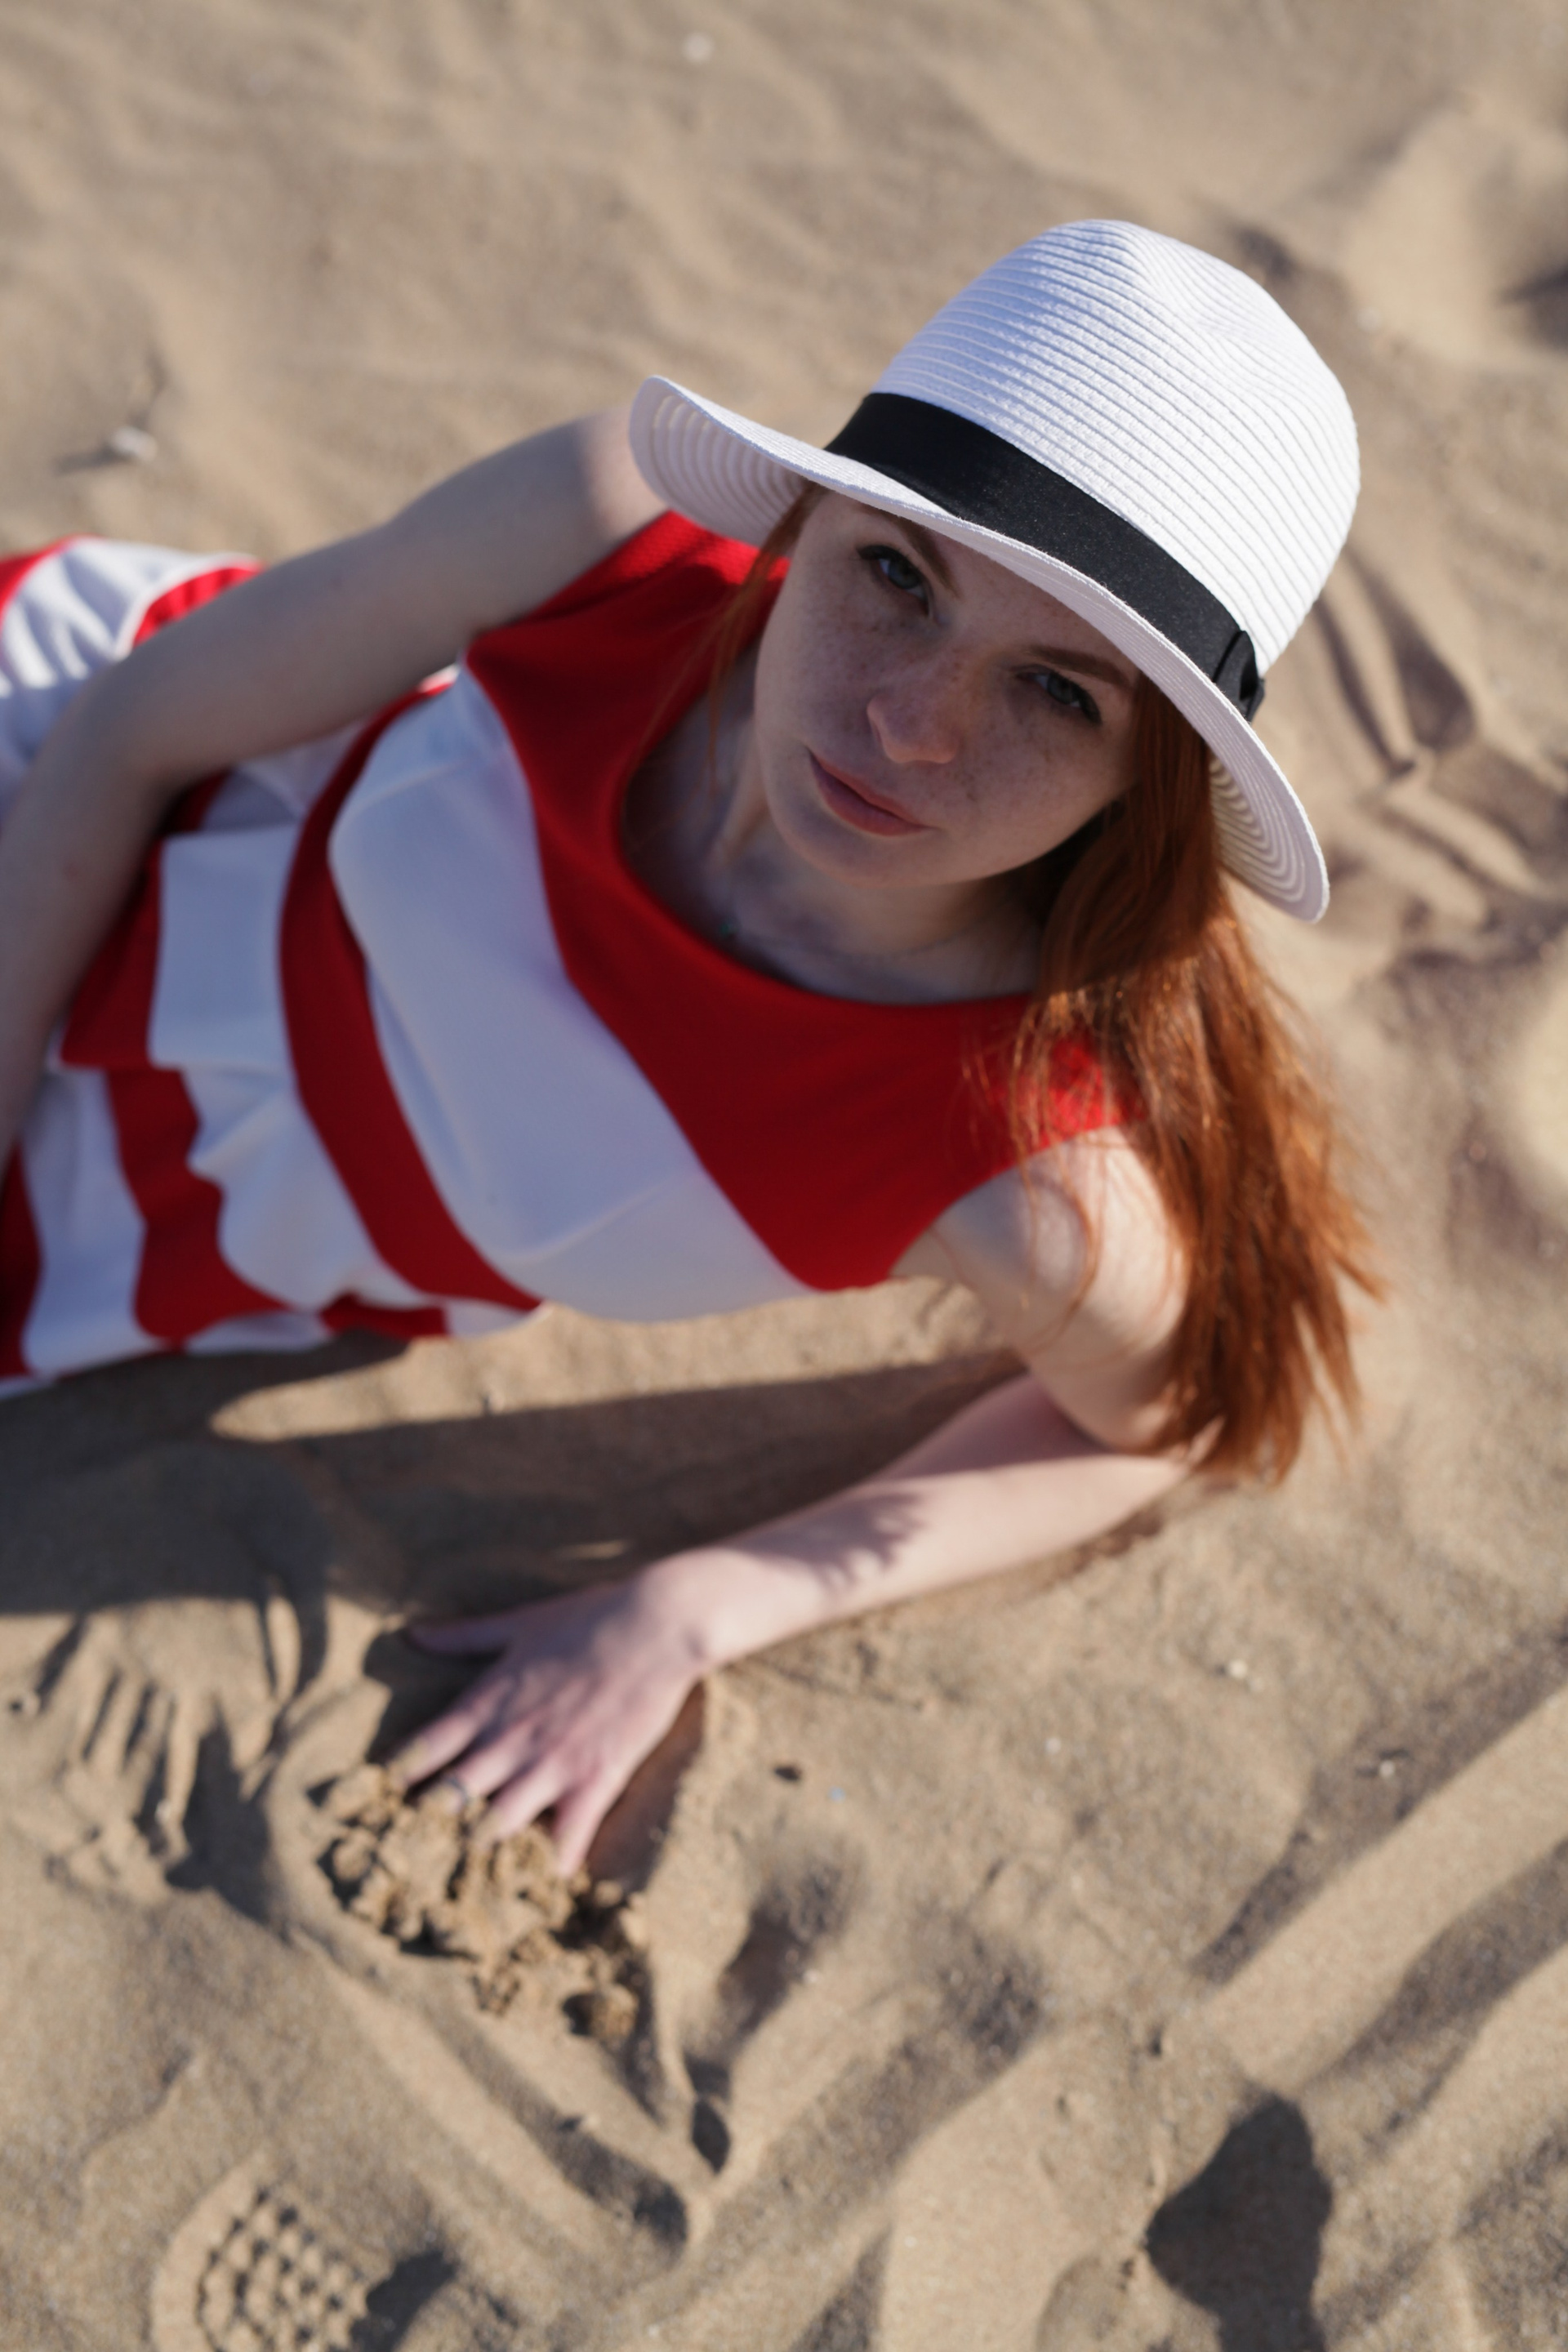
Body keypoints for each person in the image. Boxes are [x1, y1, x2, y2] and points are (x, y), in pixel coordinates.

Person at [0, 220, 1374, 1873]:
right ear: (806, 520)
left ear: (1136, 784)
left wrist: (692, 1610)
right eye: (897, 574)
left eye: (1059, 695)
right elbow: (129, 731)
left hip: (170, 1207)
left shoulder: (1011, 1164)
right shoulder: (613, 540)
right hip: (66, 820)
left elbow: (1152, 1430)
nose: (911, 724)